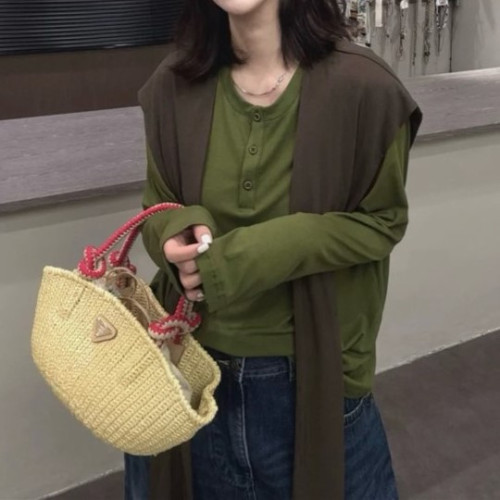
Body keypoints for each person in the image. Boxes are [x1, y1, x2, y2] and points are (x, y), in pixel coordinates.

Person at [125, 0, 422, 499]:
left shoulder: (365, 89)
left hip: (314, 380)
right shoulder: (172, 85)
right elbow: (158, 205)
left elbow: (382, 223)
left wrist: (265, 250)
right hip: (191, 376)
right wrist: (173, 233)